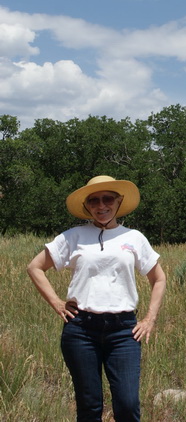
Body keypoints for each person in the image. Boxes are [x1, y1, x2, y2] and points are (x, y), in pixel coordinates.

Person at [27, 174, 166, 422]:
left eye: (108, 199)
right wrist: (57, 303)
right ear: (86, 206)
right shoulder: (73, 237)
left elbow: (159, 279)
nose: (101, 206)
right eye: (94, 201)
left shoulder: (133, 237)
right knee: (89, 405)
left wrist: (149, 319)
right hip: (81, 330)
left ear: (118, 201)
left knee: (127, 404)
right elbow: (35, 267)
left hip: (123, 331)